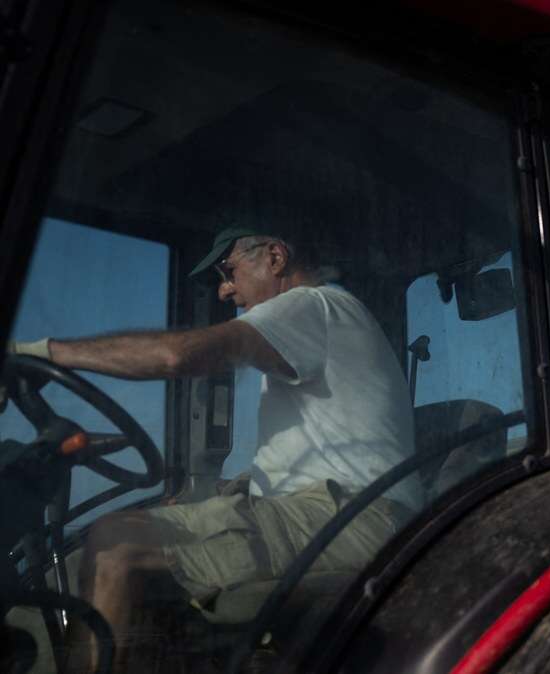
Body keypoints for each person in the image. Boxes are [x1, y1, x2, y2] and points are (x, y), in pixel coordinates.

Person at [7, 228, 423, 672]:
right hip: (337, 511)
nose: (226, 290)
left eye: (229, 271)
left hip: (352, 518)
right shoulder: (323, 322)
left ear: (276, 257)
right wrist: (223, 490)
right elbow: (312, 453)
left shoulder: (310, 304)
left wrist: (45, 353)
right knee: (85, 557)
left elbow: (176, 357)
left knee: (115, 542)